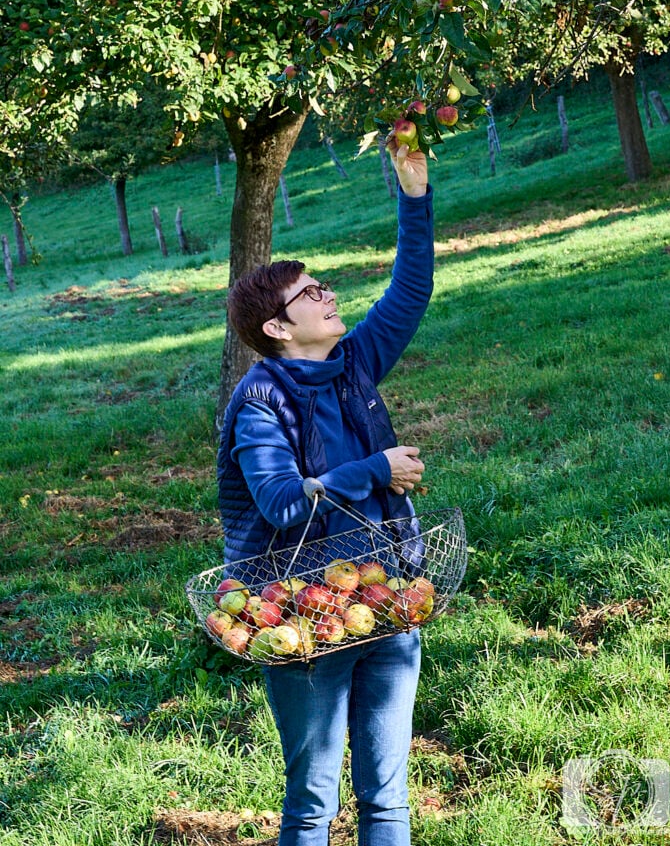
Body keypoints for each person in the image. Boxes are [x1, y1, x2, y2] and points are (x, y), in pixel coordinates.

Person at [217, 138, 433, 846]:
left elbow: (410, 292)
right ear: (277, 328)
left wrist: (413, 194)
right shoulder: (260, 403)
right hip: (299, 609)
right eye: (309, 293)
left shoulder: (351, 362)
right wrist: (374, 469)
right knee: (313, 799)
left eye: (323, 285)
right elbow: (281, 502)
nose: (328, 293)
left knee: (388, 796)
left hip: (385, 592)